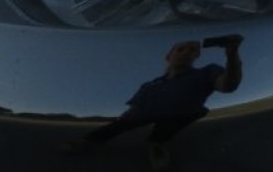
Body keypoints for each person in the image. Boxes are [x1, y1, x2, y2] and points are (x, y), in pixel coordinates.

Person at [73, 35, 243, 170]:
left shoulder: (207, 72)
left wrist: (232, 54)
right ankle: (88, 141)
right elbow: (136, 103)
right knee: (118, 124)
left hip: (178, 114)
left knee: (197, 111)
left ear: (196, 56)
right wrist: (126, 117)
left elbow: (227, 86)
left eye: (191, 50)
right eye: (180, 49)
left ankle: (156, 143)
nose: (185, 52)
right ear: (169, 56)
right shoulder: (151, 83)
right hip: (146, 113)